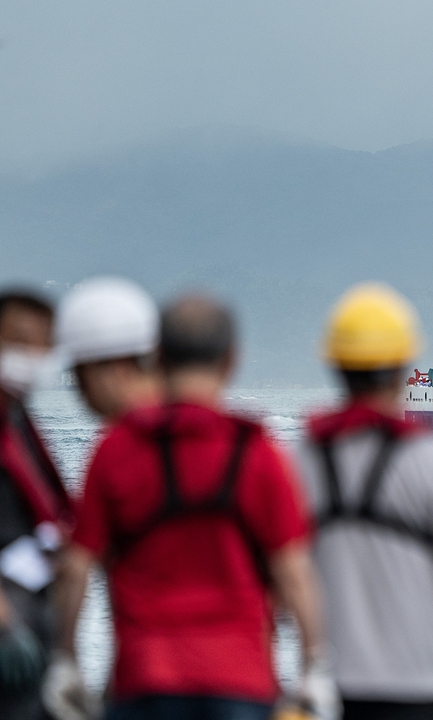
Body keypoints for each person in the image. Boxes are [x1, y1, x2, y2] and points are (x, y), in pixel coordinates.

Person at [47, 295, 338, 720]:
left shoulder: (116, 448)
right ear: (231, 361)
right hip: (241, 679)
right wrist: (314, 666)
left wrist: (66, 658)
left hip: (145, 678)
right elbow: (293, 571)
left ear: (158, 357)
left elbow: (76, 567)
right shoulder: (257, 452)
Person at [297, 283, 433, 720]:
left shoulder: (304, 460)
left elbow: (281, 573)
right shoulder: (429, 458)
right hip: (417, 684)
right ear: (402, 365)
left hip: (335, 685)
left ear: (335, 365)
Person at [0, 289, 74, 720]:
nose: (31, 356)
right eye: (19, 342)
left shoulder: (21, 423)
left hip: (34, 632)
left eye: (42, 345)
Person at [56, 277, 162, 422]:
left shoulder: (119, 442)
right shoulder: (196, 420)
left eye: (79, 376)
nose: (81, 393)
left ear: (122, 371)